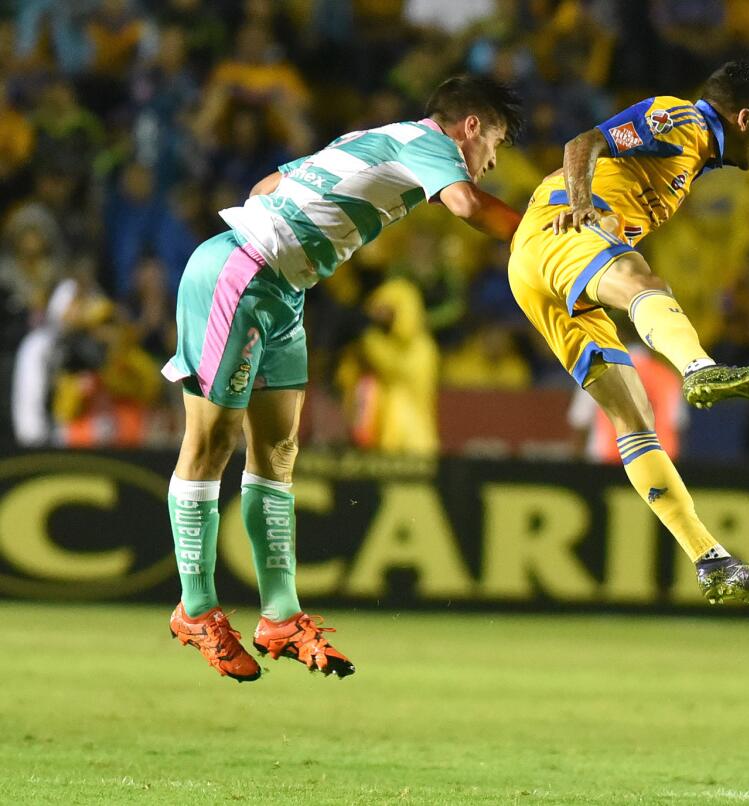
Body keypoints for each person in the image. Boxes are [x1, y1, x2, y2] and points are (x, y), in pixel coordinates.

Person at [161, 75, 524, 682]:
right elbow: (468, 207)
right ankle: (195, 608)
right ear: (471, 127)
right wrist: (547, 229)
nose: (492, 159)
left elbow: (268, 185)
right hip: (239, 274)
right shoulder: (433, 144)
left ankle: (279, 614)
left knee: (277, 451)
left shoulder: (373, 139)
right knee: (211, 441)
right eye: (498, 142)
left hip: (284, 293)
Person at [508, 60, 749, 606]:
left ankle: (710, 559)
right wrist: (580, 207)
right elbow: (582, 143)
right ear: (742, 118)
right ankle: (699, 368)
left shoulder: (693, 155)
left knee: (634, 417)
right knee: (641, 279)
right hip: (559, 231)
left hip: (534, 270)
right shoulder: (681, 120)